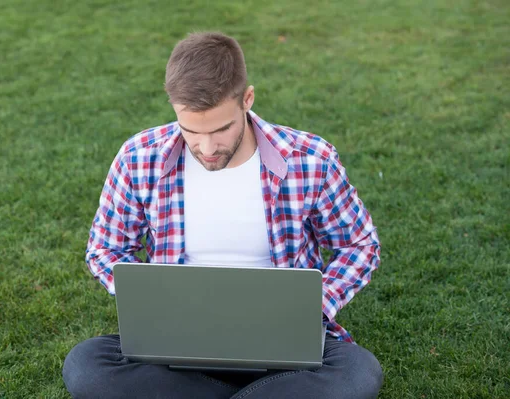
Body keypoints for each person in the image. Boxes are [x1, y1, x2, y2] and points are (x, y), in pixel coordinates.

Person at [63, 32, 383, 399]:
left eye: (221, 129)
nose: (207, 148)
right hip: (177, 340)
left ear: (247, 100)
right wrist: (150, 300)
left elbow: (360, 244)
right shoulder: (139, 157)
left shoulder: (310, 159)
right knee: (86, 365)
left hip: (283, 344)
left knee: (358, 373)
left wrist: (315, 305)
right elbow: (105, 249)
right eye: (191, 131)